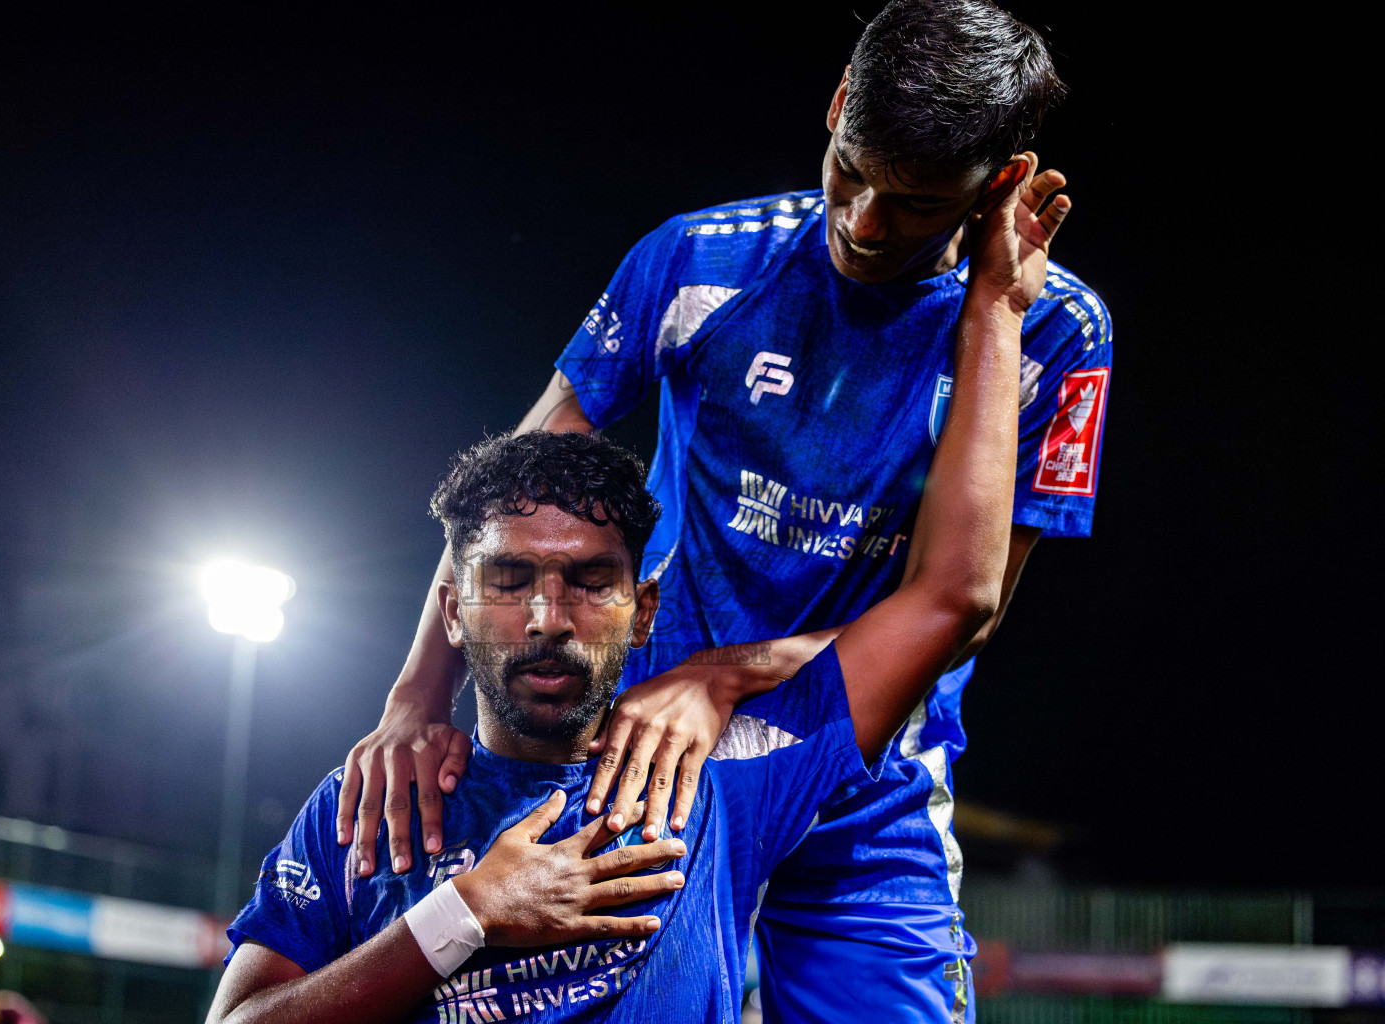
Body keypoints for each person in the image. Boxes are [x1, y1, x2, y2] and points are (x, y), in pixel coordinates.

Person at [336, 2, 1110, 1021]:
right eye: (851, 171)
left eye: (917, 204)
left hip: (864, 774)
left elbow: (962, 607)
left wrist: (727, 673)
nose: (864, 222)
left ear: (1001, 182)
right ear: (838, 102)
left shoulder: (1056, 334)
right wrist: (413, 697)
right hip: (646, 749)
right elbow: (503, 500)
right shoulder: (699, 260)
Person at [208, 169, 1054, 1019]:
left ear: (646, 609)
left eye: (589, 581)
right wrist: (461, 915)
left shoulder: (726, 781)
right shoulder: (372, 802)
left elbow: (952, 600)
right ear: (451, 610)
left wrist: (997, 307)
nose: (548, 618)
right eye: (509, 581)